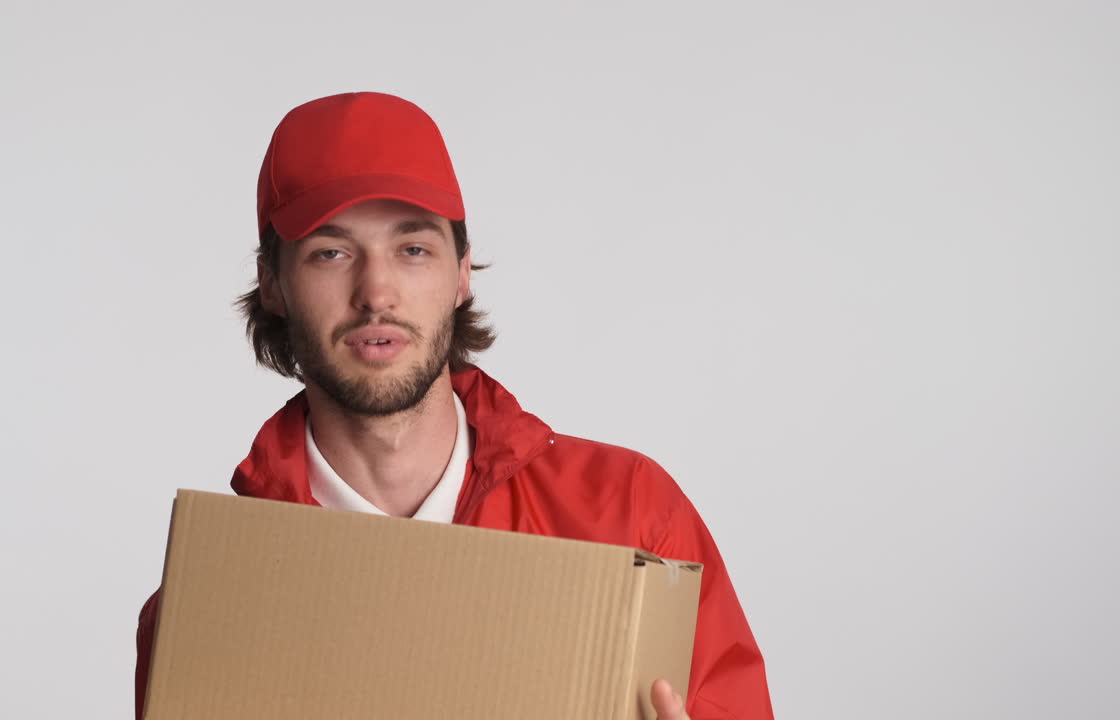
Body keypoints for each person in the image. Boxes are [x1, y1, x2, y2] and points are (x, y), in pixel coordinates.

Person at [135, 91, 773, 720]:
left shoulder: (629, 515)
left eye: (413, 249)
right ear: (273, 283)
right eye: (331, 252)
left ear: (462, 273)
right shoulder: (208, 605)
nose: (376, 292)